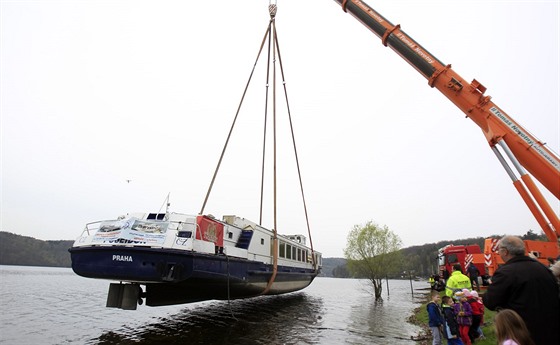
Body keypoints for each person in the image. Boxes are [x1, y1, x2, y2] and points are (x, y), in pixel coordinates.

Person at [482, 235, 560, 345]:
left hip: (522, 333)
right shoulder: (543, 269)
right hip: (551, 331)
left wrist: (491, 287)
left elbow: (491, 302)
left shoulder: (505, 273)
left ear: (505, 251)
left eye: (499, 250)